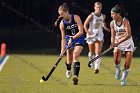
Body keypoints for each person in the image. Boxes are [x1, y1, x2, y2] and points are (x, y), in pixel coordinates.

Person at [57, 3, 85, 85]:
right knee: (69, 60)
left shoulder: (76, 17)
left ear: (66, 12)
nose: (61, 16)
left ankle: (75, 76)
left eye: (62, 14)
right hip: (69, 39)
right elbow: (63, 38)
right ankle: (68, 68)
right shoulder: (62, 24)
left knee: (75, 55)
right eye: (60, 15)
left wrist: (73, 38)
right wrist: (62, 51)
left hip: (79, 38)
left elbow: (81, 31)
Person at [110, 5, 135, 86]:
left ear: (118, 14)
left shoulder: (125, 21)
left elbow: (128, 34)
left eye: (113, 14)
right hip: (118, 44)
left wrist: (118, 42)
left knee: (127, 64)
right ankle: (118, 69)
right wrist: (112, 43)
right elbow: (113, 36)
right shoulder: (112, 23)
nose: (111, 15)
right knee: (116, 61)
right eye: (111, 14)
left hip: (128, 43)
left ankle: (123, 79)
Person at [84, 2, 110, 74]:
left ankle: (96, 67)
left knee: (98, 52)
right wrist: (88, 33)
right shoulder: (91, 16)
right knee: (91, 53)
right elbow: (85, 25)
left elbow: (102, 24)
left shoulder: (103, 16)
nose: (98, 8)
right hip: (91, 35)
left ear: (101, 8)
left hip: (99, 35)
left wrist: (105, 28)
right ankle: (91, 61)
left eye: (100, 7)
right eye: (97, 7)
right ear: (94, 7)